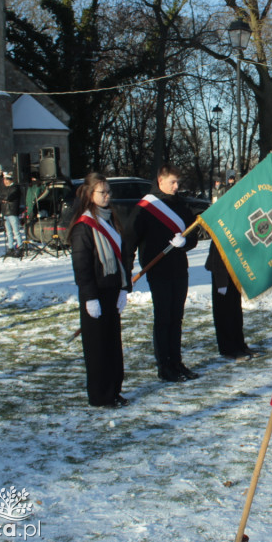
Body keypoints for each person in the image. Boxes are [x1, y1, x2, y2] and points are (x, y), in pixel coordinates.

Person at [124, 164, 199, 382]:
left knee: (177, 318)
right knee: (163, 317)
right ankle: (164, 365)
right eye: (172, 182)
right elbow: (129, 241)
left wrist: (185, 242)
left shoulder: (180, 205)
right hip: (158, 270)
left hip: (179, 268)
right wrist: (126, 270)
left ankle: (176, 361)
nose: (176, 186)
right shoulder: (146, 207)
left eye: (178, 182)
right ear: (160, 181)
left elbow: (193, 233)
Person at [69, 172, 133, 408]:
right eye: (102, 192)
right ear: (90, 194)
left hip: (113, 290)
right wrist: (89, 297)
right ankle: (100, 395)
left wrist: (124, 288)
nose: (107, 196)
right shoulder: (83, 227)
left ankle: (114, 390)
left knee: (113, 345)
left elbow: (123, 256)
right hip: (95, 294)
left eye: (108, 192)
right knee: (97, 348)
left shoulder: (111, 219)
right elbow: (82, 266)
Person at [205, 239, 254, 360]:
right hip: (221, 270)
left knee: (235, 309)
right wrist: (221, 283)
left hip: (234, 265)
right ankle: (228, 349)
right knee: (223, 311)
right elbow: (217, 253)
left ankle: (239, 345)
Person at [1, 172, 22, 257]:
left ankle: (20, 247)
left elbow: (9, 197)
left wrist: (5, 198)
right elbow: (0, 197)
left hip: (12, 212)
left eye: (6, 180)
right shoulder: (6, 189)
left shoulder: (15, 188)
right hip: (6, 212)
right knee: (8, 232)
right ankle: (10, 247)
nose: (5, 182)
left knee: (16, 232)